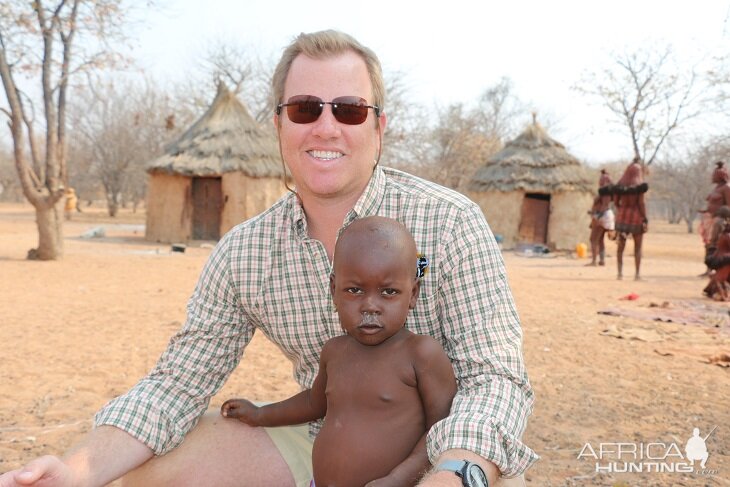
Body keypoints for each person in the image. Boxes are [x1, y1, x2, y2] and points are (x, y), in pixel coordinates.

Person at [0, 30, 536, 487]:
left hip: (446, 451)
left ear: (379, 126)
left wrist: (450, 475)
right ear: (278, 124)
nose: (326, 127)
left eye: (349, 110)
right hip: (326, 439)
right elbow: (177, 383)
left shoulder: (449, 222)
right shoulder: (247, 251)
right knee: (149, 471)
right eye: (305, 109)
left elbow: (495, 380)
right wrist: (75, 472)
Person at [221, 216, 457, 487]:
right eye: (354, 290)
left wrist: (398, 479)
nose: (370, 306)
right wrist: (260, 415)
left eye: (389, 292)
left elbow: (440, 430)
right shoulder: (335, 351)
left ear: (413, 294)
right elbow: (314, 403)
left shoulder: (421, 355)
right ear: (334, 290)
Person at [613, 157, 648, 280]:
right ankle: (637, 274)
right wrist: (645, 218)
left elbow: (616, 202)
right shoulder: (639, 187)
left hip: (622, 216)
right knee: (637, 247)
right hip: (636, 217)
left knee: (620, 246)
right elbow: (641, 204)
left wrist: (622, 210)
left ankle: (619, 274)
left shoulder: (620, 186)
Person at [586, 169, 615, 266]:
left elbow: (604, 205)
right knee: (600, 239)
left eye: (602, 179)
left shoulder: (604, 192)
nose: (600, 180)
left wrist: (598, 215)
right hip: (606, 215)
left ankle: (594, 261)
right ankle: (602, 260)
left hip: (602, 215)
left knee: (593, 239)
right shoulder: (607, 192)